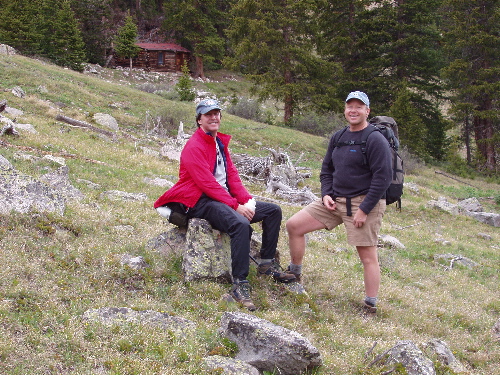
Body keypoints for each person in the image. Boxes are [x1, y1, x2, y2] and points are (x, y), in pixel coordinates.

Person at [154, 99, 295, 311]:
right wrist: (235, 206)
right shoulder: (194, 146)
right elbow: (207, 184)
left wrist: (246, 200)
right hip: (200, 200)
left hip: (220, 197)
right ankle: (239, 284)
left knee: (273, 211)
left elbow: (232, 177)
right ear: (199, 119)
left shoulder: (219, 143)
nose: (214, 117)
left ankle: (267, 264)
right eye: (208, 114)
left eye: (217, 113)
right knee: (240, 225)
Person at [285, 91, 392, 314]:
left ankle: (370, 304)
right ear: (344, 110)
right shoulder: (338, 137)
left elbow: (383, 178)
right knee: (294, 226)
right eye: (349, 106)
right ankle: (294, 274)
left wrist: (364, 210)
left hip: (365, 202)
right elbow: (327, 170)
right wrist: (326, 193)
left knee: (367, 256)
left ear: (367, 111)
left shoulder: (374, 139)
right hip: (335, 200)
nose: (353, 110)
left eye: (359, 107)